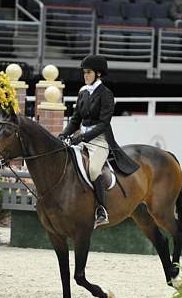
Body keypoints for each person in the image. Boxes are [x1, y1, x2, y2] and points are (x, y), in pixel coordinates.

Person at [59, 55, 139, 228]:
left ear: (98, 74)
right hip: (82, 139)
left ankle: (101, 210)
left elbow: (103, 124)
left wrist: (82, 137)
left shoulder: (106, 94)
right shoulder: (83, 92)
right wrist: (63, 134)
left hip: (100, 140)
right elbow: (75, 120)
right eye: (84, 72)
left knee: (94, 170)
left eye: (88, 73)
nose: (85, 75)